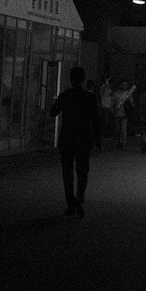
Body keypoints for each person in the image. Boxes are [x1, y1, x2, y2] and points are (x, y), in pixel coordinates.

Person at [49, 65, 102, 217]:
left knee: (67, 171)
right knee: (82, 170)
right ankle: (80, 196)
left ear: (71, 79)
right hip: (85, 137)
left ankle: (70, 203)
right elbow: (95, 120)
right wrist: (98, 139)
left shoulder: (65, 96)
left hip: (67, 137)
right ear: (83, 79)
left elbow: (53, 112)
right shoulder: (90, 97)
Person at [113, 80, 136, 149]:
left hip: (124, 114)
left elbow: (132, 103)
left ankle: (122, 144)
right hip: (117, 113)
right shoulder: (116, 93)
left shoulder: (128, 94)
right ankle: (119, 142)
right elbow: (112, 103)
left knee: (123, 129)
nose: (124, 86)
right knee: (117, 129)